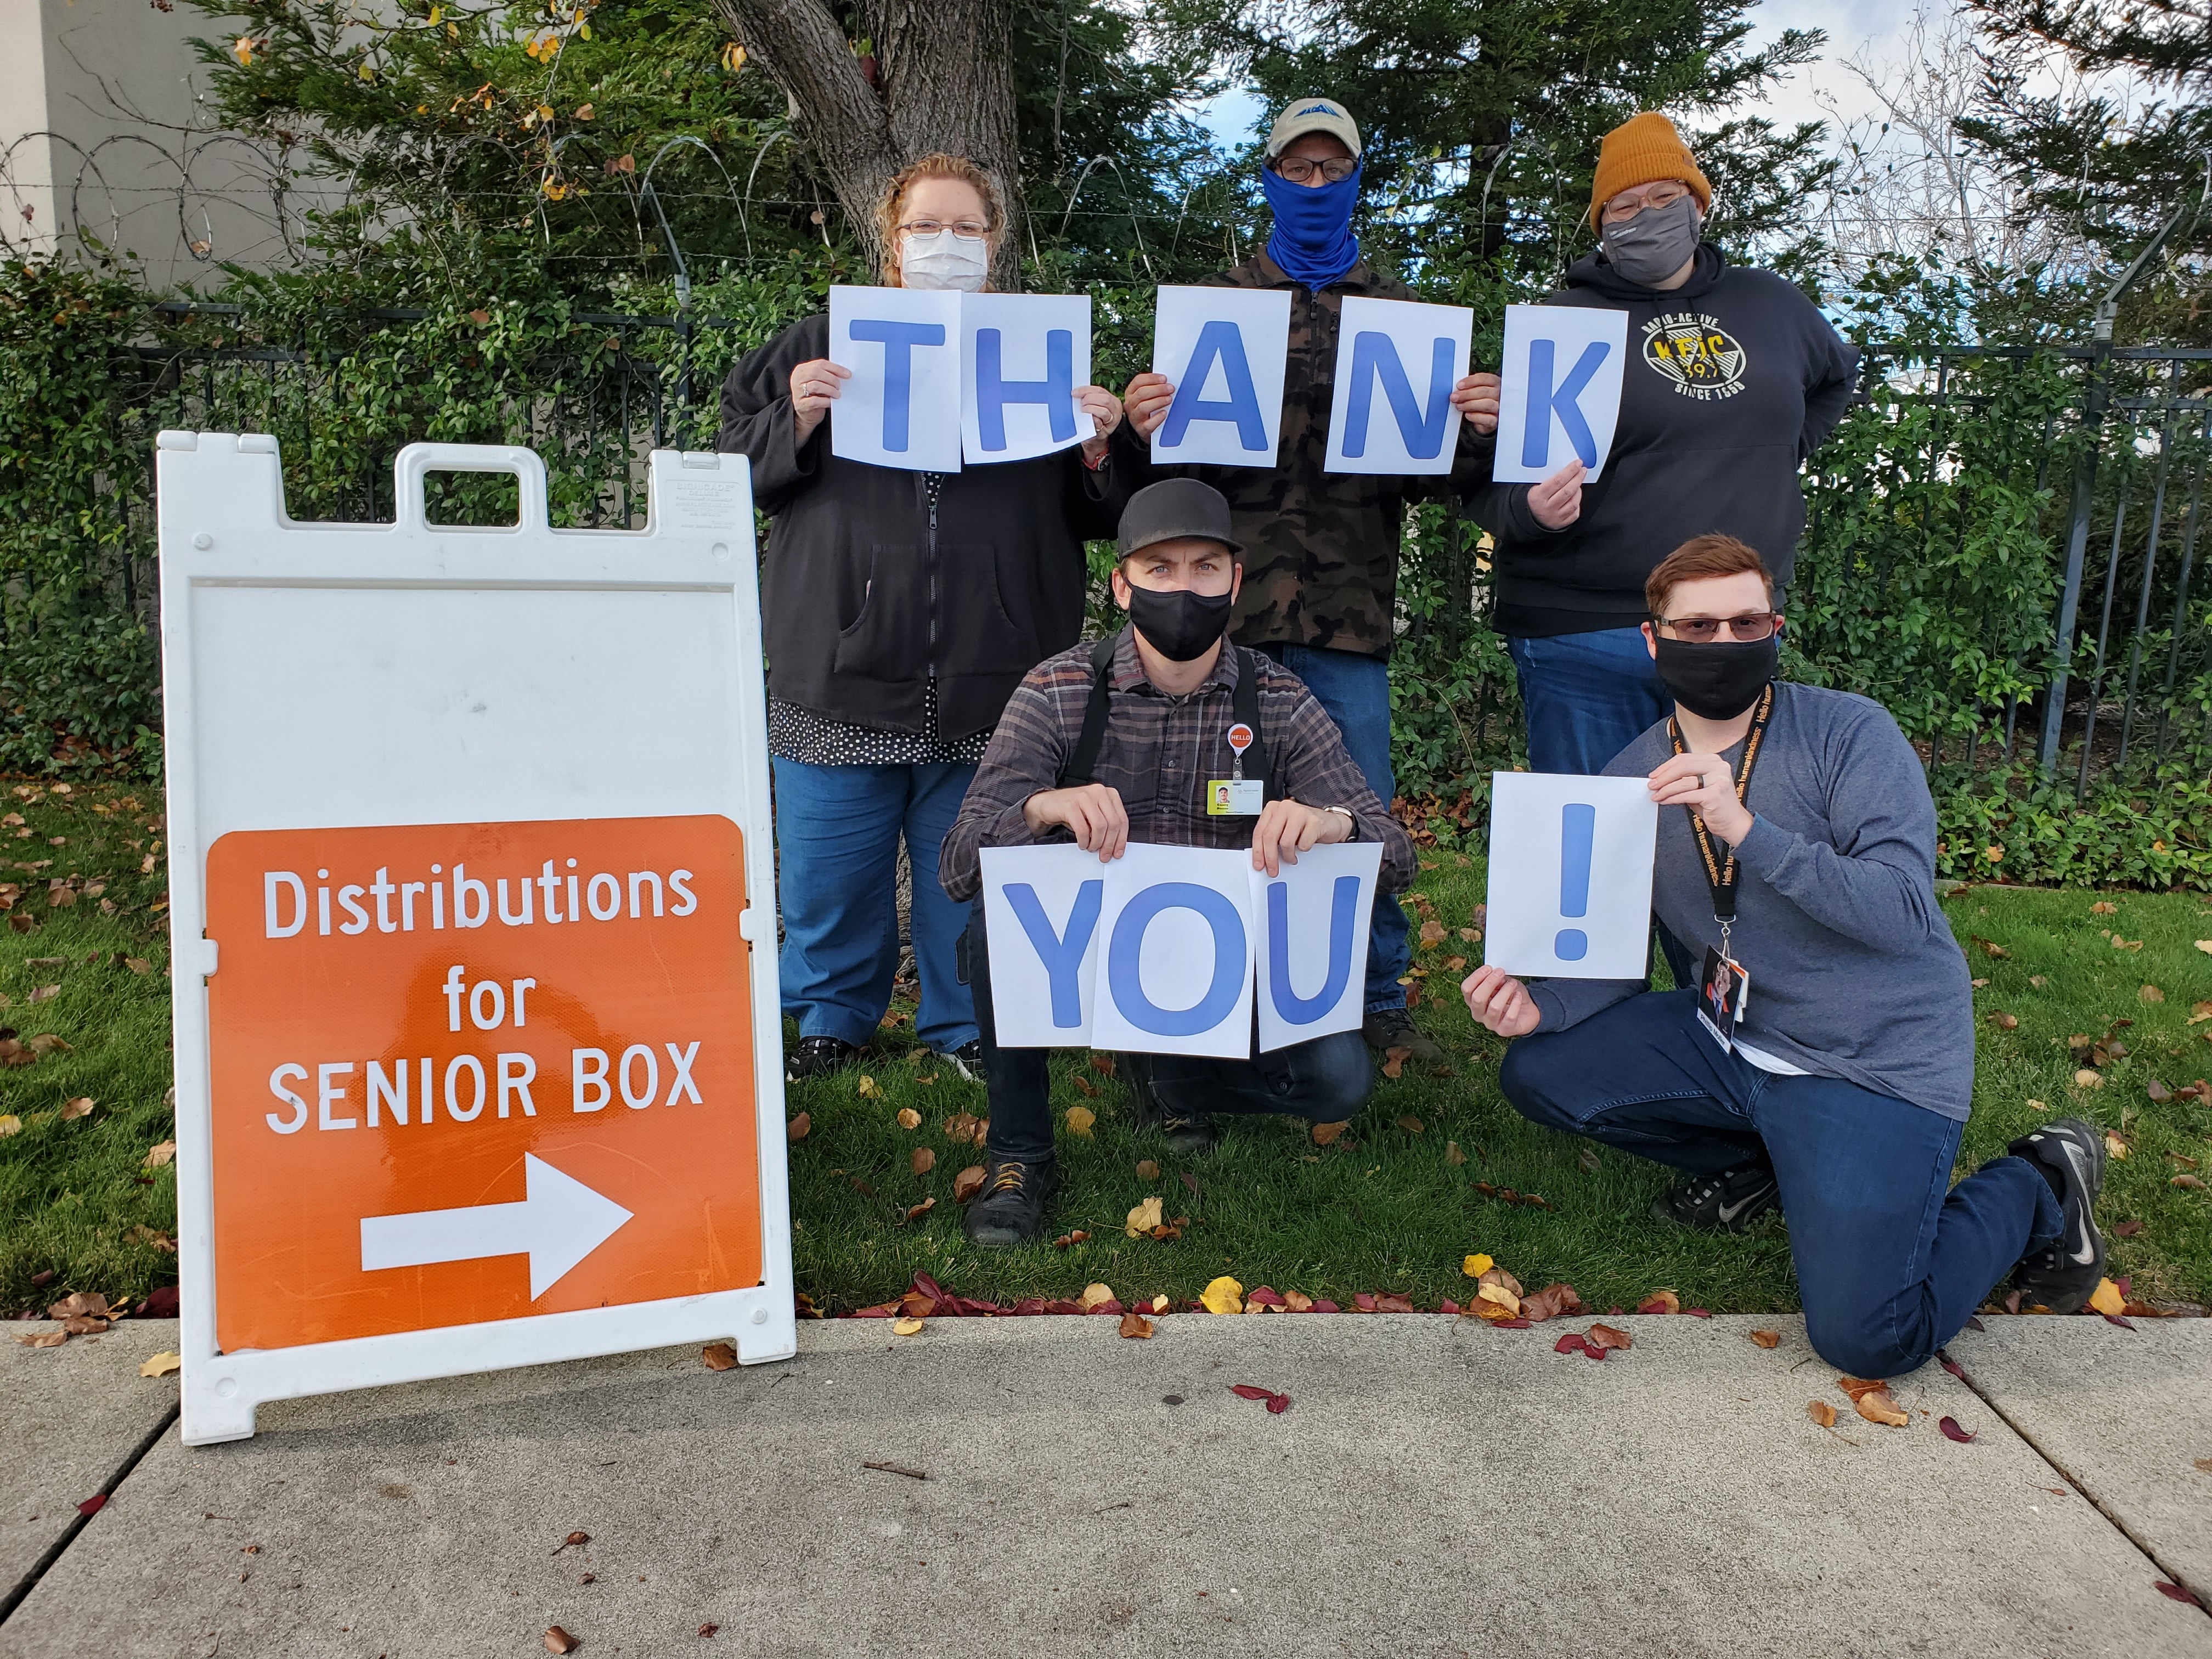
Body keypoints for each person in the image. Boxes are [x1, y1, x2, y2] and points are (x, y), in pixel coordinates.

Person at [1459, 534, 2107, 1379]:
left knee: (1869, 1340)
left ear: (1775, 628)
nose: (1724, 644)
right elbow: (1612, 961)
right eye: (1697, 628)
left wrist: (1748, 831)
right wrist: (1543, 1006)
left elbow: (1904, 914)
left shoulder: (1849, 733)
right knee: (1540, 1071)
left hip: (1871, 1056)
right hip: (1733, 1033)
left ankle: (2038, 1183)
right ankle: (1764, 1161)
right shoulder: (1630, 777)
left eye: (1745, 623)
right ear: (1654, 641)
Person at [716, 153, 1131, 1083]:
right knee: (828, 876)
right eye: (925, 228)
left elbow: (1104, 515)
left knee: (975, 871)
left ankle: (965, 1020)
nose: (945, 246)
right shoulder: (818, 343)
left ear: (994, 245)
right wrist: (795, 417)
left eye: (965, 229)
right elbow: (732, 469)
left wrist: (1104, 446)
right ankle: (830, 1014)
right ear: (891, 245)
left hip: (998, 672)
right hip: (838, 666)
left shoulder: (1037, 356)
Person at [1116, 96, 1500, 1065]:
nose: (1316, 185)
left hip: (1347, 618)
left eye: (1334, 170)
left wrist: (1476, 431)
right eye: (1301, 169)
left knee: (1355, 811)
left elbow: (1446, 479)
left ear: (1357, 180)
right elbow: (1166, 477)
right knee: (1209, 800)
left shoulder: (1406, 318)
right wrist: (1144, 422)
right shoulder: (1213, 306)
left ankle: (1375, 995)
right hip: (1222, 613)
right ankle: (1207, 982)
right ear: (1272, 178)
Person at [941, 478, 1416, 1246]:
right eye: (1160, 570)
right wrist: (1040, 809)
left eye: (1204, 568)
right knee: (995, 907)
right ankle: (1019, 1157)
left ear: (1235, 580)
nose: (1184, 588)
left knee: (1339, 1082)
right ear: (1122, 586)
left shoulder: (1279, 700)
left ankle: (1164, 1076)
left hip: (1220, 961)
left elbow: (1395, 855)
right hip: (1086, 957)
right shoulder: (1058, 689)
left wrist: (1329, 823)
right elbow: (959, 862)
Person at [1464, 111, 1860, 777]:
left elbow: (1838, 376)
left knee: (1717, 843)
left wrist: (1785, 451)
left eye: (1663, 198)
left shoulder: (1774, 305)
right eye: (1624, 204)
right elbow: (1491, 492)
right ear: (1602, 222)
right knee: (1593, 851)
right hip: (1585, 632)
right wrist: (1532, 512)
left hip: (1727, 628)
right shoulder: (1563, 322)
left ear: (1697, 205)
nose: (1645, 214)